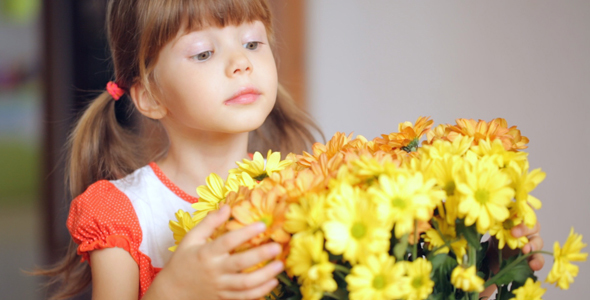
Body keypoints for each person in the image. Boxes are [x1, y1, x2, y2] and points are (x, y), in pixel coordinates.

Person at [39, 0, 545, 299]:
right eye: (203, 52)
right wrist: (175, 290)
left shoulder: (315, 192)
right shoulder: (122, 213)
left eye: (253, 43)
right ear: (148, 95)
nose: (239, 63)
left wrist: (480, 262)